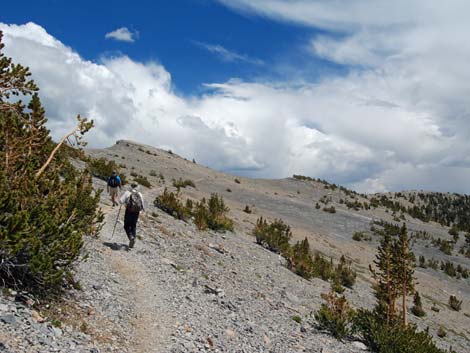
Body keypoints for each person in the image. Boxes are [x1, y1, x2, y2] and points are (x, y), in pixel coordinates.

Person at [119, 183, 145, 249]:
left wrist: (124, 203)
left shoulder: (128, 193)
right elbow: (142, 205)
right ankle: (134, 238)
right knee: (133, 225)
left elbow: (120, 201)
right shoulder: (140, 194)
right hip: (136, 212)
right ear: (137, 187)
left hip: (129, 211)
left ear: (131, 186)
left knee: (126, 226)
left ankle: (131, 237)